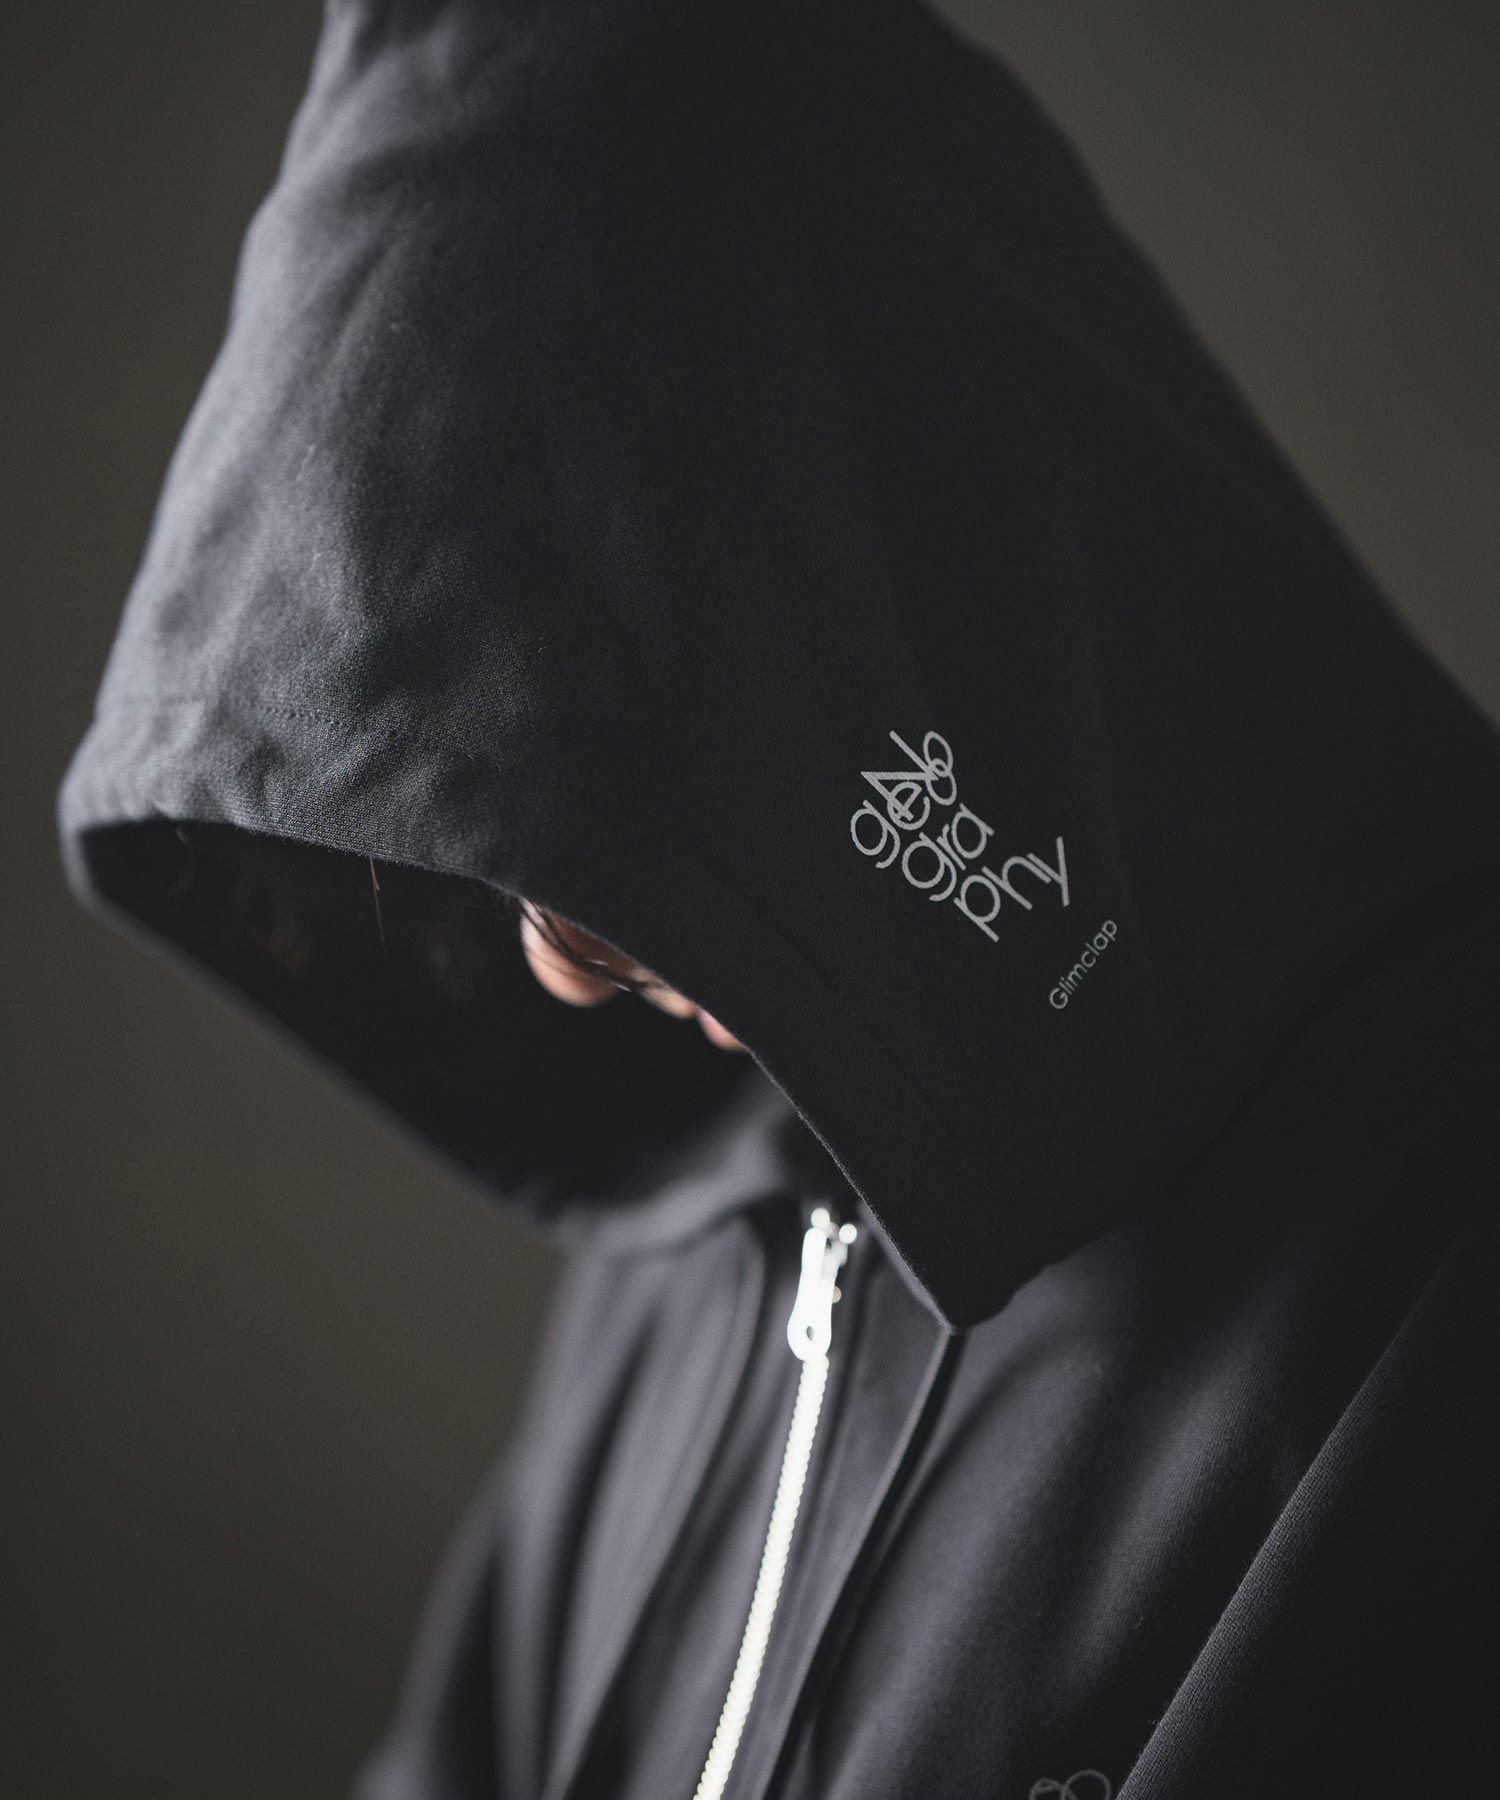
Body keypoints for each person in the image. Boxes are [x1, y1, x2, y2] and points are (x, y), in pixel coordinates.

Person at [57, 0, 1500, 1795]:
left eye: (614, 816)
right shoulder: (712, 1205)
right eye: (512, 857)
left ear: (888, 565)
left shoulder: (1437, 1257)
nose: (559, 976)